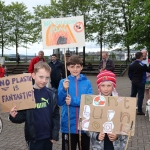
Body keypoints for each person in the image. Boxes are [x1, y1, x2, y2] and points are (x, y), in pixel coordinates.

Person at [9, 62, 60, 150]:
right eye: (41, 77)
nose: (44, 80)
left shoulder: (52, 94)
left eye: (47, 77)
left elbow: (55, 115)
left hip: (48, 137)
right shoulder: (27, 95)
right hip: (34, 138)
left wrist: (54, 134)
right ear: (33, 75)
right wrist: (13, 116)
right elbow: (23, 116)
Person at [58, 55, 93, 150]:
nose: (75, 69)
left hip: (84, 125)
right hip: (68, 125)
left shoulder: (87, 83)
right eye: (72, 66)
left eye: (78, 66)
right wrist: (64, 90)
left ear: (81, 67)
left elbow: (89, 101)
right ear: (68, 67)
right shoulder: (63, 82)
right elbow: (60, 102)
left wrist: (73, 101)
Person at [86, 70, 127, 150]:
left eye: (109, 85)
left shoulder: (121, 103)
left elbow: (127, 126)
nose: (106, 89)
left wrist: (117, 136)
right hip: (99, 145)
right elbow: (87, 126)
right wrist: (96, 136)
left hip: (116, 145)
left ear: (113, 86)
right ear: (99, 87)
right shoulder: (93, 103)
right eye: (103, 85)